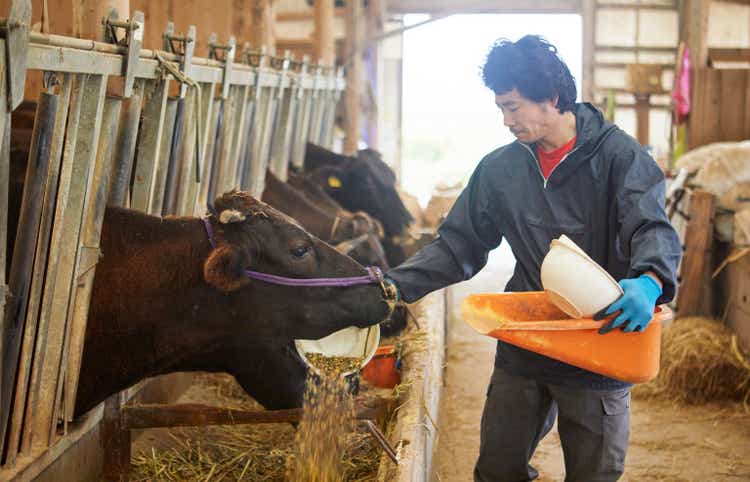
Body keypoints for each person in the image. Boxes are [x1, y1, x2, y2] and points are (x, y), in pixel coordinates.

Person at [383, 35, 682, 482]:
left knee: (595, 472)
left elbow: (651, 226)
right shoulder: (500, 169)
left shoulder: (621, 157)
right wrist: (393, 284)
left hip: (599, 335)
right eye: (500, 108)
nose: (506, 120)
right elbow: (458, 245)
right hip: (528, 338)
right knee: (498, 468)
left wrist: (651, 279)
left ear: (552, 99)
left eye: (513, 107)